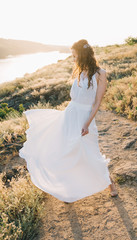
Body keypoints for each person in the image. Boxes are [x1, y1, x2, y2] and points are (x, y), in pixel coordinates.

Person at [19, 39, 118, 203]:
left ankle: (110, 183)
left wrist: (86, 123)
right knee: (65, 151)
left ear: (83, 54)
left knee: (91, 151)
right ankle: (67, 190)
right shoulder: (79, 71)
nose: (73, 59)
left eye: (75, 56)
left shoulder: (100, 73)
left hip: (85, 117)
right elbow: (75, 99)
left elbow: (97, 102)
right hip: (70, 115)